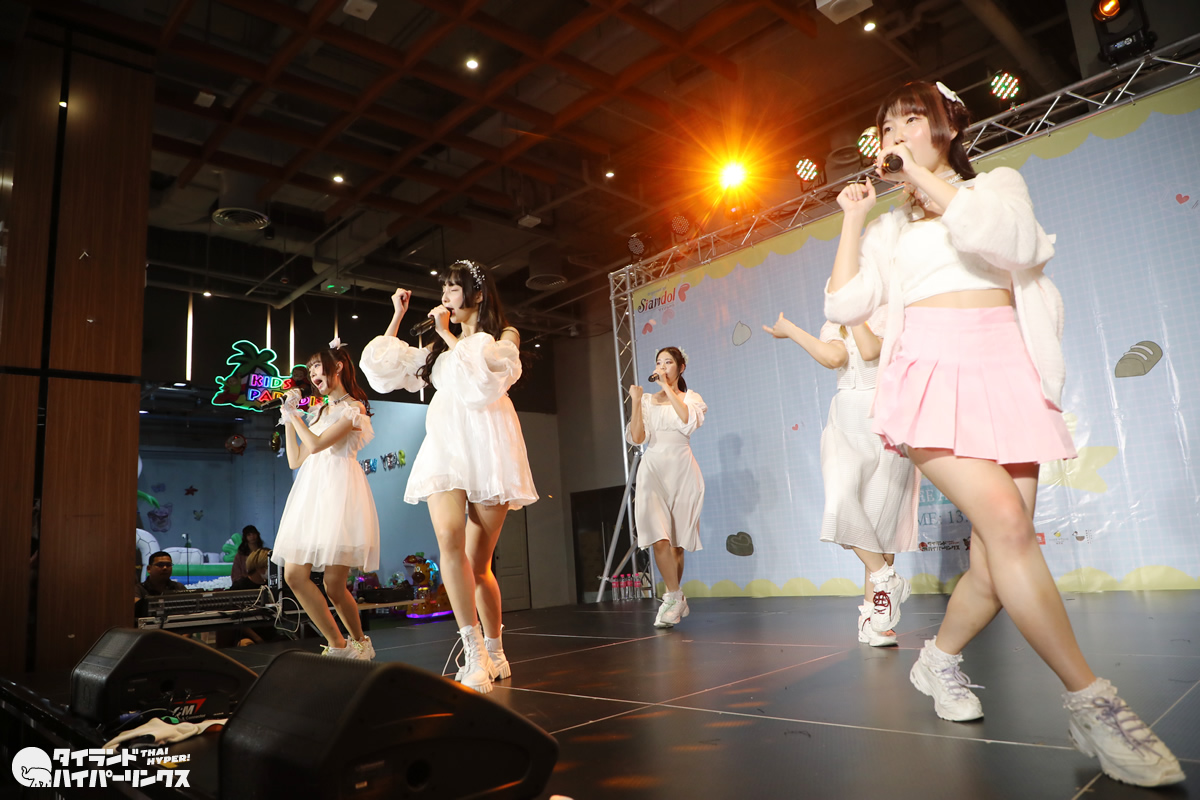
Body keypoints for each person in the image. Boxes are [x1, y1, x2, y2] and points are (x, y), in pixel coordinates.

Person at [824, 79, 1182, 786]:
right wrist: (855, 220)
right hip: (927, 372)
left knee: (995, 559)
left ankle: (938, 661)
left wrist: (923, 178)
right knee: (1008, 527)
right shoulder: (892, 230)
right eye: (886, 127)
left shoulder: (997, 187)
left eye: (909, 119)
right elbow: (843, 303)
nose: (894, 135)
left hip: (1007, 372)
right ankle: (1093, 702)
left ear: (948, 126)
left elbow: (1014, 245)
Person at [360, 260, 537, 694]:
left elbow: (486, 381)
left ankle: (495, 649)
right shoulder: (436, 351)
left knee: (479, 565)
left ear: (477, 294)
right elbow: (381, 370)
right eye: (443, 290)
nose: (444, 298)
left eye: (453, 290)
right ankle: (474, 652)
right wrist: (398, 315)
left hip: (490, 444)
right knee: (448, 540)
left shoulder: (504, 336)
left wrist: (447, 334)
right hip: (446, 445)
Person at [764, 309, 917, 646]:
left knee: (880, 526)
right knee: (840, 499)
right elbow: (834, 357)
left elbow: (871, 350)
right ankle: (885, 578)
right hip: (847, 418)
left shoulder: (894, 312)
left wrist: (855, 313)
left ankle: (874, 619)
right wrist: (791, 329)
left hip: (889, 415)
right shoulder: (836, 322)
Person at [271, 339, 379, 662]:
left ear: (338, 366)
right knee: (293, 575)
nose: (313, 374)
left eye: (317, 366)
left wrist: (295, 416)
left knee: (334, 584)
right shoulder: (318, 411)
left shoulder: (353, 409)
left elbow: (318, 445)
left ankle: (360, 643)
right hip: (312, 494)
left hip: (339, 492)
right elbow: (296, 459)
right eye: (310, 370)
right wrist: (289, 418)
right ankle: (338, 644)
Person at [625, 346, 707, 629]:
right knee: (657, 537)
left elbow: (687, 421)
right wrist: (637, 402)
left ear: (680, 367)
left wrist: (667, 388)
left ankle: (673, 600)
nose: (662, 367)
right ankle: (674, 596)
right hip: (653, 470)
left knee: (676, 544)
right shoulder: (647, 400)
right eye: (658, 362)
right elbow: (638, 437)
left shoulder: (691, 398)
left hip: (682, 471)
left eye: (668, 362)